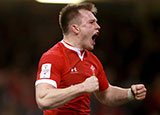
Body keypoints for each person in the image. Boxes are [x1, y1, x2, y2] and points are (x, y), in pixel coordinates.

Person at [35, 3, 147, 115]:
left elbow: (106, 94)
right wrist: (82, 87)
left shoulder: (92, 60)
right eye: (91, 22)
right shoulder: (53, 57)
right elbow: (43, 99)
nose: (98, 26)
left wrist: (130, 93)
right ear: (75, 28)